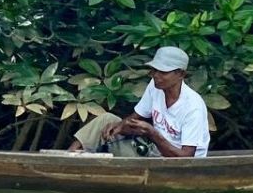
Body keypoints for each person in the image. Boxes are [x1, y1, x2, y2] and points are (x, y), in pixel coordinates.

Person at [67, 46, 209, 157]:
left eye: (163, 72)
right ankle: (69, 156)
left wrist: (151, 133)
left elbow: (186, 157)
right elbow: (136, 116)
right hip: (154, 149)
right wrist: (121, 126)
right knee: (107, 120)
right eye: (154, 70)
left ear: (181, 74)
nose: (156, 76)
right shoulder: (155, 87)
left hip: (176, 163)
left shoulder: (193, 107)